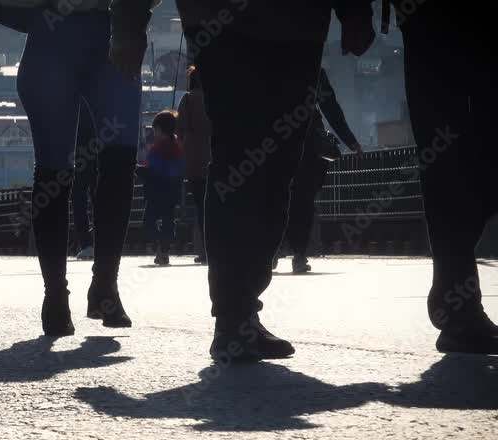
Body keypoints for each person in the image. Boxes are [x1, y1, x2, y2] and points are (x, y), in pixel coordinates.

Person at [112, 0, 375, 360]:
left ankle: (242, 307)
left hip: (297, 27)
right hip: (224, 24)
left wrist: (355, 10)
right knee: (238, 158)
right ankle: (234, 314)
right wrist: (128, 24)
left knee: (279, 165)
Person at [11, 0, 159, 338]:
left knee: (118, 161)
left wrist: (135, 19)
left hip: (113, 27)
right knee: (55, 169)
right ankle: (59, 294)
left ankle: (103, 284)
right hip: (60, 30)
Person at [381, 1, 495, 353]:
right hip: (436, 21)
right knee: (448, 160)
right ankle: (456, 303)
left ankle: (454, 298)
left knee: (453, 160)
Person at [277, 67, 360, 274]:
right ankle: (299, 254)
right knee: (304, 199)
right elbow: (331, 108)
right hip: (308, 141)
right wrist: (349, 139)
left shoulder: (272, 65)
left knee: (276, 196)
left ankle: (273, 249)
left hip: (276, 139)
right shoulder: (314, 70)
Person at [138, 111, 184, 266]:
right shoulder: (178, 147)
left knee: (148, 221)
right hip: (171, 193)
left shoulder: (158, 148)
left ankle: (159, 243)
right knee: (168, 220)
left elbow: (154, 170)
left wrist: (140, 170)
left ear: (159, 129)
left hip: (155, 192)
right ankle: (164, 249)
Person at [175, 66, 210, 265]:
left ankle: (203, 250)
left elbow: (179, 130)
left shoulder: (187, 100)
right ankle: (217, 249)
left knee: (200, 205)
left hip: (194, 162)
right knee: (216, 205)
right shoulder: (214, 98)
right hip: (215, 159)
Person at [72, 107, 96, 261]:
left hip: (81, 157)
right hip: (98, 154)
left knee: (78, 199)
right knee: (97, 197)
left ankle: (86, 244)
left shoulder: (75, 106)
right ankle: (99, 240)